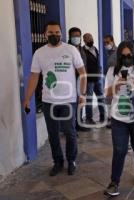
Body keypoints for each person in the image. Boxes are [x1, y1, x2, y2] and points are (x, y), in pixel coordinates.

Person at [23, 21, 87, 176]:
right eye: (51, 32)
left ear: (61, 33)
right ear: (45, 34)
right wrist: (27, 98)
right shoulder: (39, 53)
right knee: (53, 135)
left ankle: (71, 160)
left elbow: (83, 73)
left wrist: (82, 94)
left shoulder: (71, 50)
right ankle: (57, 161)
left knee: (69, 132)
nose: (54, 35)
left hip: (68, 100)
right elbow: (34, 77)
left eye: (57, 32)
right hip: (48, 101)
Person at [103, 41, 134, 197]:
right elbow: (106, 94)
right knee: (119, 150)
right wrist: (115, 87)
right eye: (123, 56)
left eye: (129, 55)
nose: (126, 58)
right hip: (118, 118)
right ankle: (114, 182)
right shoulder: (112, 71)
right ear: (119, 56)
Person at [68, 27, 90, 132]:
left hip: (81, 78)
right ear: (70, 37)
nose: (76, 38)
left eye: (78, 36)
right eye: (74, 36)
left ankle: (79, 122)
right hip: (71, 79)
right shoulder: (67, 49)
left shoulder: (81, 49)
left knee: (81, 100)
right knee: (72, 102)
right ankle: (71, 125)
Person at [83, 33, 106, 124]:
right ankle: (89, 119)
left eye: (91, 38)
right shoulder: (83, 51)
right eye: (88, 38)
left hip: (98, 78)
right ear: (84, 40)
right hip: (88, 79)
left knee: (101, 97)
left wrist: (100, 70)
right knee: (89, 100)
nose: (91, 40)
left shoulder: (95, 49)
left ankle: (103, 117)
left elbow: (97, 62)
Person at [104, 35, 117, 129]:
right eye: (104, 43)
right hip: (108, 77)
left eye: (107, 42)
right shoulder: (107, 52)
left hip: (115, 78)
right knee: (108, 98)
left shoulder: (118, 52)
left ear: (112, 41)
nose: (106, 44)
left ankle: (113, 119)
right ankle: (109, 117)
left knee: (113, 98)